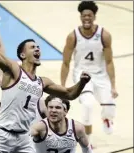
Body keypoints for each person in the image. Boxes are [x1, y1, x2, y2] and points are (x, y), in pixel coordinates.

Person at [0, 12, 91, 152]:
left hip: (24, 137)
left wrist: (82, 82)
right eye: (32, 47)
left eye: (38, 47)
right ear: (22, 55)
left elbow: (70, 94)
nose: (37, 49)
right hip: (2, 134)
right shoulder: (14, 70)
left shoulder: (43, 82)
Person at [60, 1, 118, 146]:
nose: (87, 18)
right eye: (84, 15)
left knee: (110, 105)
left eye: (89, 15)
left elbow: (109, 62)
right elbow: (66, 62)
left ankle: (107, 118)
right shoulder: (73, 36)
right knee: (87, 104)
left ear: (94, 17)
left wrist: (113, 85)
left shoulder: (104, 35)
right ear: (80, 17)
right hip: (82, 75)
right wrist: (62, 86)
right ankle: (87, 142)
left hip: (100, 74)